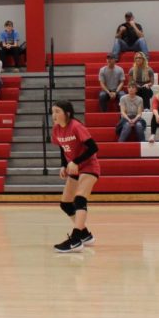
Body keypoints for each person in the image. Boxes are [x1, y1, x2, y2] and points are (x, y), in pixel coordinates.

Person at [49, 100, 99, 253]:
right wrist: (64, 165)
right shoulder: (56, 130)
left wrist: (76, 161)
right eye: (53, 112)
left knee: (79, 199)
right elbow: (63, 150)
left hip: (89, 166)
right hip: (75, 169)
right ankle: (85, 235)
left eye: (57, 111)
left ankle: (76, 240)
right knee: (65, 204)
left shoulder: (76, 126)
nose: (54, 115)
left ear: (67, 113)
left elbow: (93, 147)